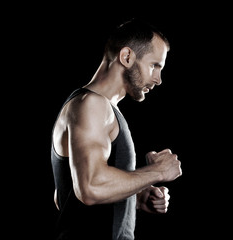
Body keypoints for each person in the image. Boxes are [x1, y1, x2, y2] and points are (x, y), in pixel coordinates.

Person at [50, 18, 182, 240]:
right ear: (127, 56)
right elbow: (90, 188)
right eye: (154, 66)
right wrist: (156, 172)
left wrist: (134, 197)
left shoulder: (95, 107)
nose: (158, 79)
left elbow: (63, 195)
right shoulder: (92, 105)